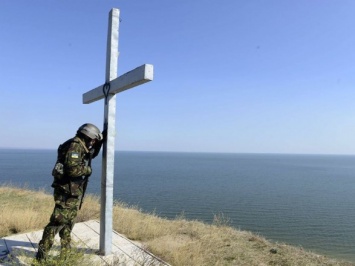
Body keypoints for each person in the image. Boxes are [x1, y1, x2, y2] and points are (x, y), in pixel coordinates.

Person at [36, 123, 105, 262]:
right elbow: (72, 170)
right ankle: (41, 256)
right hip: (66, 192)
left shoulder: (78, 145)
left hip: (70, 191)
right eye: (93, 140)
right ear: (88, 136)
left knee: (68, 222)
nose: (93, 143)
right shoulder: (75, 146)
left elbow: (89, 155)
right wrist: (88, 170)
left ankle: (65, 253)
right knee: (57, 222)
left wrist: (99, 143)